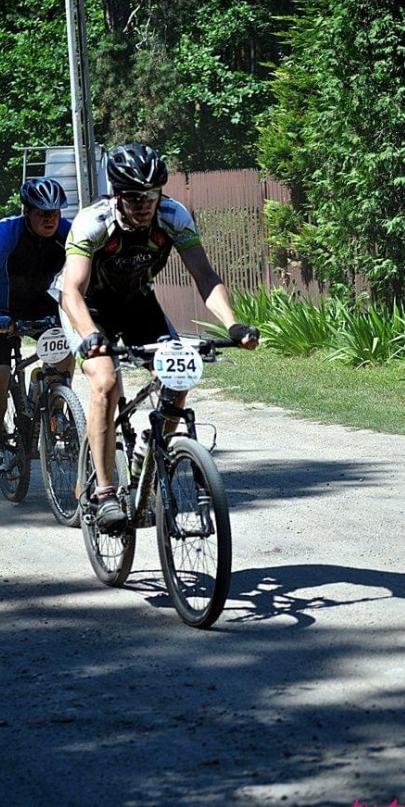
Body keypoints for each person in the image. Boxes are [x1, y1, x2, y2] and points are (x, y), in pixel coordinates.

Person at [58, 142, 259, 529]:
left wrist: (233, 324)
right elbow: (72, 292)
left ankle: (149, 455)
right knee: (105, 382)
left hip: (136, 302)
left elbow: (204, 276)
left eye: (151, 195)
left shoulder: (172, 216)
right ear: (116, 193)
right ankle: (103, 494)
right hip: (88, 307)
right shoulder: (93, 222)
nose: (144, 204)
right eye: (134, 196)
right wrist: (90, 338)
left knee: (179, 373)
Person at [0, 177, 72, 474]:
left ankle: (55, 409)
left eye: (55, 212)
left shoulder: (67, 233)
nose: (50, 218)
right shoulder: (6, 231)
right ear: (27, 211)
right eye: (42, 212)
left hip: (42, 305)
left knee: (67, 347)